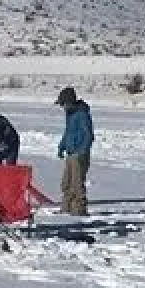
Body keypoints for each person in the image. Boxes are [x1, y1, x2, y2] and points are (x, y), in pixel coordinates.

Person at [55, 86, 94, 217]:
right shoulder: (70, 115)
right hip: (71, 153)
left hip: (79, 155)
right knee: (66, 183)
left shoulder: (82, 115)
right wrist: (62, 146)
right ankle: (66, 208)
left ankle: (80, 210)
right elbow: (68, 133)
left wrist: (82, 151)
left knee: (77, 184)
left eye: (63, 104)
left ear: (70, 102)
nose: (63, 108)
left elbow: (88, 135)